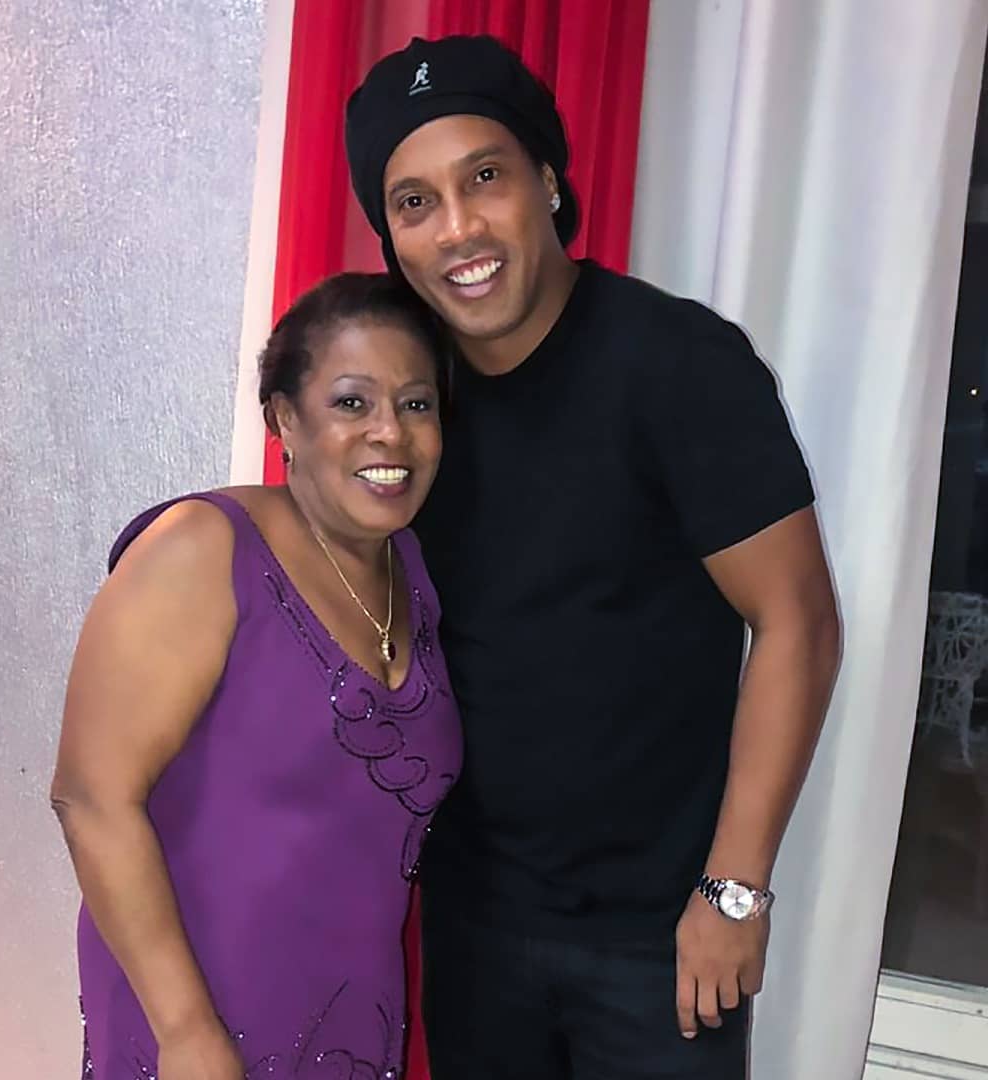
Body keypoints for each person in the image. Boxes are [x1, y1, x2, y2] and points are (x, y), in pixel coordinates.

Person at [345, 35, 841, 1080]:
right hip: (474, 923)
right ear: (392, 239)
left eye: (485, 177)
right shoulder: (412, 403)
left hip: (661, 940)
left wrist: (734, 894)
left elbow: (798, 620)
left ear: (549, 182)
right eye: (415, 202)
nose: (458, 227)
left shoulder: (679, 364)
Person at [50, 272, 462, 1080]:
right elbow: (91, 798)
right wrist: (185, 1034)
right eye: (352, 402)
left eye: (416, 404)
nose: (390, 432)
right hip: (194, 1025)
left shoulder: (412, 574)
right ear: (285, 420)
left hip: (352, 1025)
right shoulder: (204, 546)